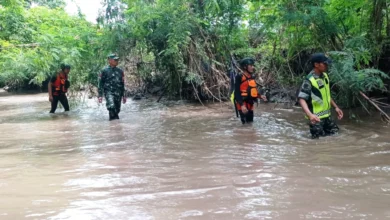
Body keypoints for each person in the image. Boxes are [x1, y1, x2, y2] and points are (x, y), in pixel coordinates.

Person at [298, 53, 344, 138]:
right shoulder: (309, 80)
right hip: (316, 118)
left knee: (336, 136)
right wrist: (310, 115)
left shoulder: (325, 76)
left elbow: (326, 95)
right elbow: (301, 99)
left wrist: (336, 107)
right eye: (324, 63)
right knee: (317, 143)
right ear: (316, 65)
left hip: (327, 116)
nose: (327, 65)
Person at [233, 58, 267, 124]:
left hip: (250, 104)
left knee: (250, 123)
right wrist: (242, 105)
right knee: (245, 125)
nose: (252, 67)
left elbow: (253, 91)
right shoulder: (239, 77)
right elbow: (237, 93)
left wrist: (260, 96)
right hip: (243, 104)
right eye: (250, 66)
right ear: (245, 67)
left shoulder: (252, 77)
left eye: (252, 65)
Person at [98, 53, 126, 120]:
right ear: (109, 60)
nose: (117, 61)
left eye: (117, 60)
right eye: (115, 60)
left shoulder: (120, 71)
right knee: (111, 106)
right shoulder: (104, 71)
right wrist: (100, 95)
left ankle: (113, 126)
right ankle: (116, 122)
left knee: (117, 109)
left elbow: (122, 83)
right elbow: (100, 83)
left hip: (118, 93)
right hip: (109, 92)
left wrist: (124, 95)